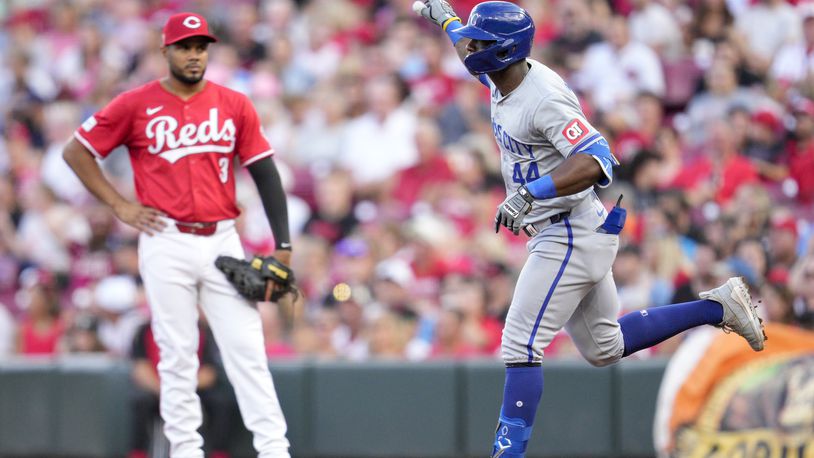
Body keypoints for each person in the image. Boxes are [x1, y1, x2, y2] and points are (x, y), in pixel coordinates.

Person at [416, 2, 767, 457]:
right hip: (573, 228)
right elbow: (469, 49)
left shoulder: (543, 97)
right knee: (605, 346)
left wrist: (532, 192)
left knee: (519, 343)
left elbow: (598, 157)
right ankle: (716, 308)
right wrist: (444, 19)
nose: (470, 49)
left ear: (504, 51)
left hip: (567, 231)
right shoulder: (504, 74)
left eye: (481, 43)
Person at [63, 13, 292, 458]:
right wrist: (119, 205)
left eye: (201, 47)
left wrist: (283, 244)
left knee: (248, 350)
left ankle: (274, 451)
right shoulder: (134, 104)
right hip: (165, 238)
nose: (194, 55)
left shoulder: (234, 103)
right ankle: (185, 452)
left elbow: (264, 172)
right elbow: (77, 151)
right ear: (165, 50)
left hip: (223, 239)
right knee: (177, 356)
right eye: (185, 46)